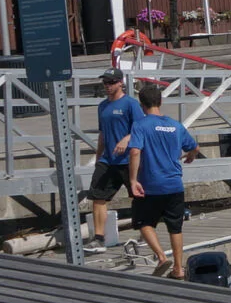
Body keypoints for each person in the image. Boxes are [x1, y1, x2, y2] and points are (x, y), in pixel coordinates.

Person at [126, 81, 200, 278]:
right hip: (174, 185)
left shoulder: (140, 125)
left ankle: (161, 256)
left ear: (142, 105)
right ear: (160, 102)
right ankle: (178, 268)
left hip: (151, 186)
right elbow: (194, 147)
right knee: (175, 227)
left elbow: (134, 151)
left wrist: (133, 180)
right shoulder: (175, 126)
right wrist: (191, 156)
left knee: (143, 222)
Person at [84, 69, 143, 248]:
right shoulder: (102, 106)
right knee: (97, 196)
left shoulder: (131, 104)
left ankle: (144, 232)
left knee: (139, 197)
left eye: (111, 82)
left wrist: (126, 139)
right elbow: (102, 134)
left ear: (120, 83)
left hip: (128, 160)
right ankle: (99, 238)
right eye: (105, 82)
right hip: (108, 160)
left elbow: (141, 129)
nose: (107, 86)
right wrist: (98, 157)